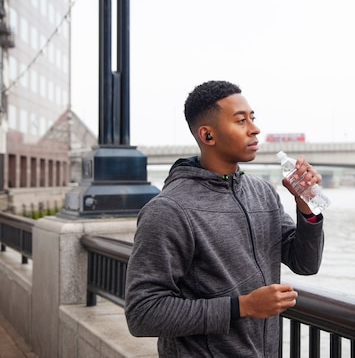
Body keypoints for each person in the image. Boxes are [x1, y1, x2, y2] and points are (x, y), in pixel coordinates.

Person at [124, 80, 325, 357]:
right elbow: (143, 313)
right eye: (240, 121)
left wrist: (306, 206)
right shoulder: (169, 210)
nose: (255, 129)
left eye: (252, 118)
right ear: (208, 136)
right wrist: (243, 306)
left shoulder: (262, 193)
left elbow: (305, 263)